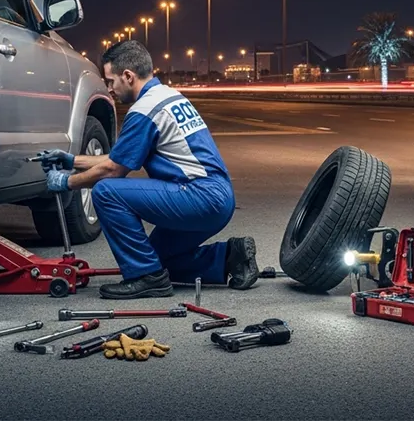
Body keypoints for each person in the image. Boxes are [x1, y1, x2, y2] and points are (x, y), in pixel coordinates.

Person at [39, 40, 258, 299]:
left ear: (128, 76)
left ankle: (145, 278)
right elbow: (119, 158)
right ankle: (230, 257)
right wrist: (71, 161)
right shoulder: (167, 96)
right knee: (157, 259)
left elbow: (113, 171)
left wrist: (67, 183)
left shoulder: (144, 110)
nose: (109, 89)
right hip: (216, 197)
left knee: (107, 191)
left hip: (200, 196)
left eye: (110, 81)